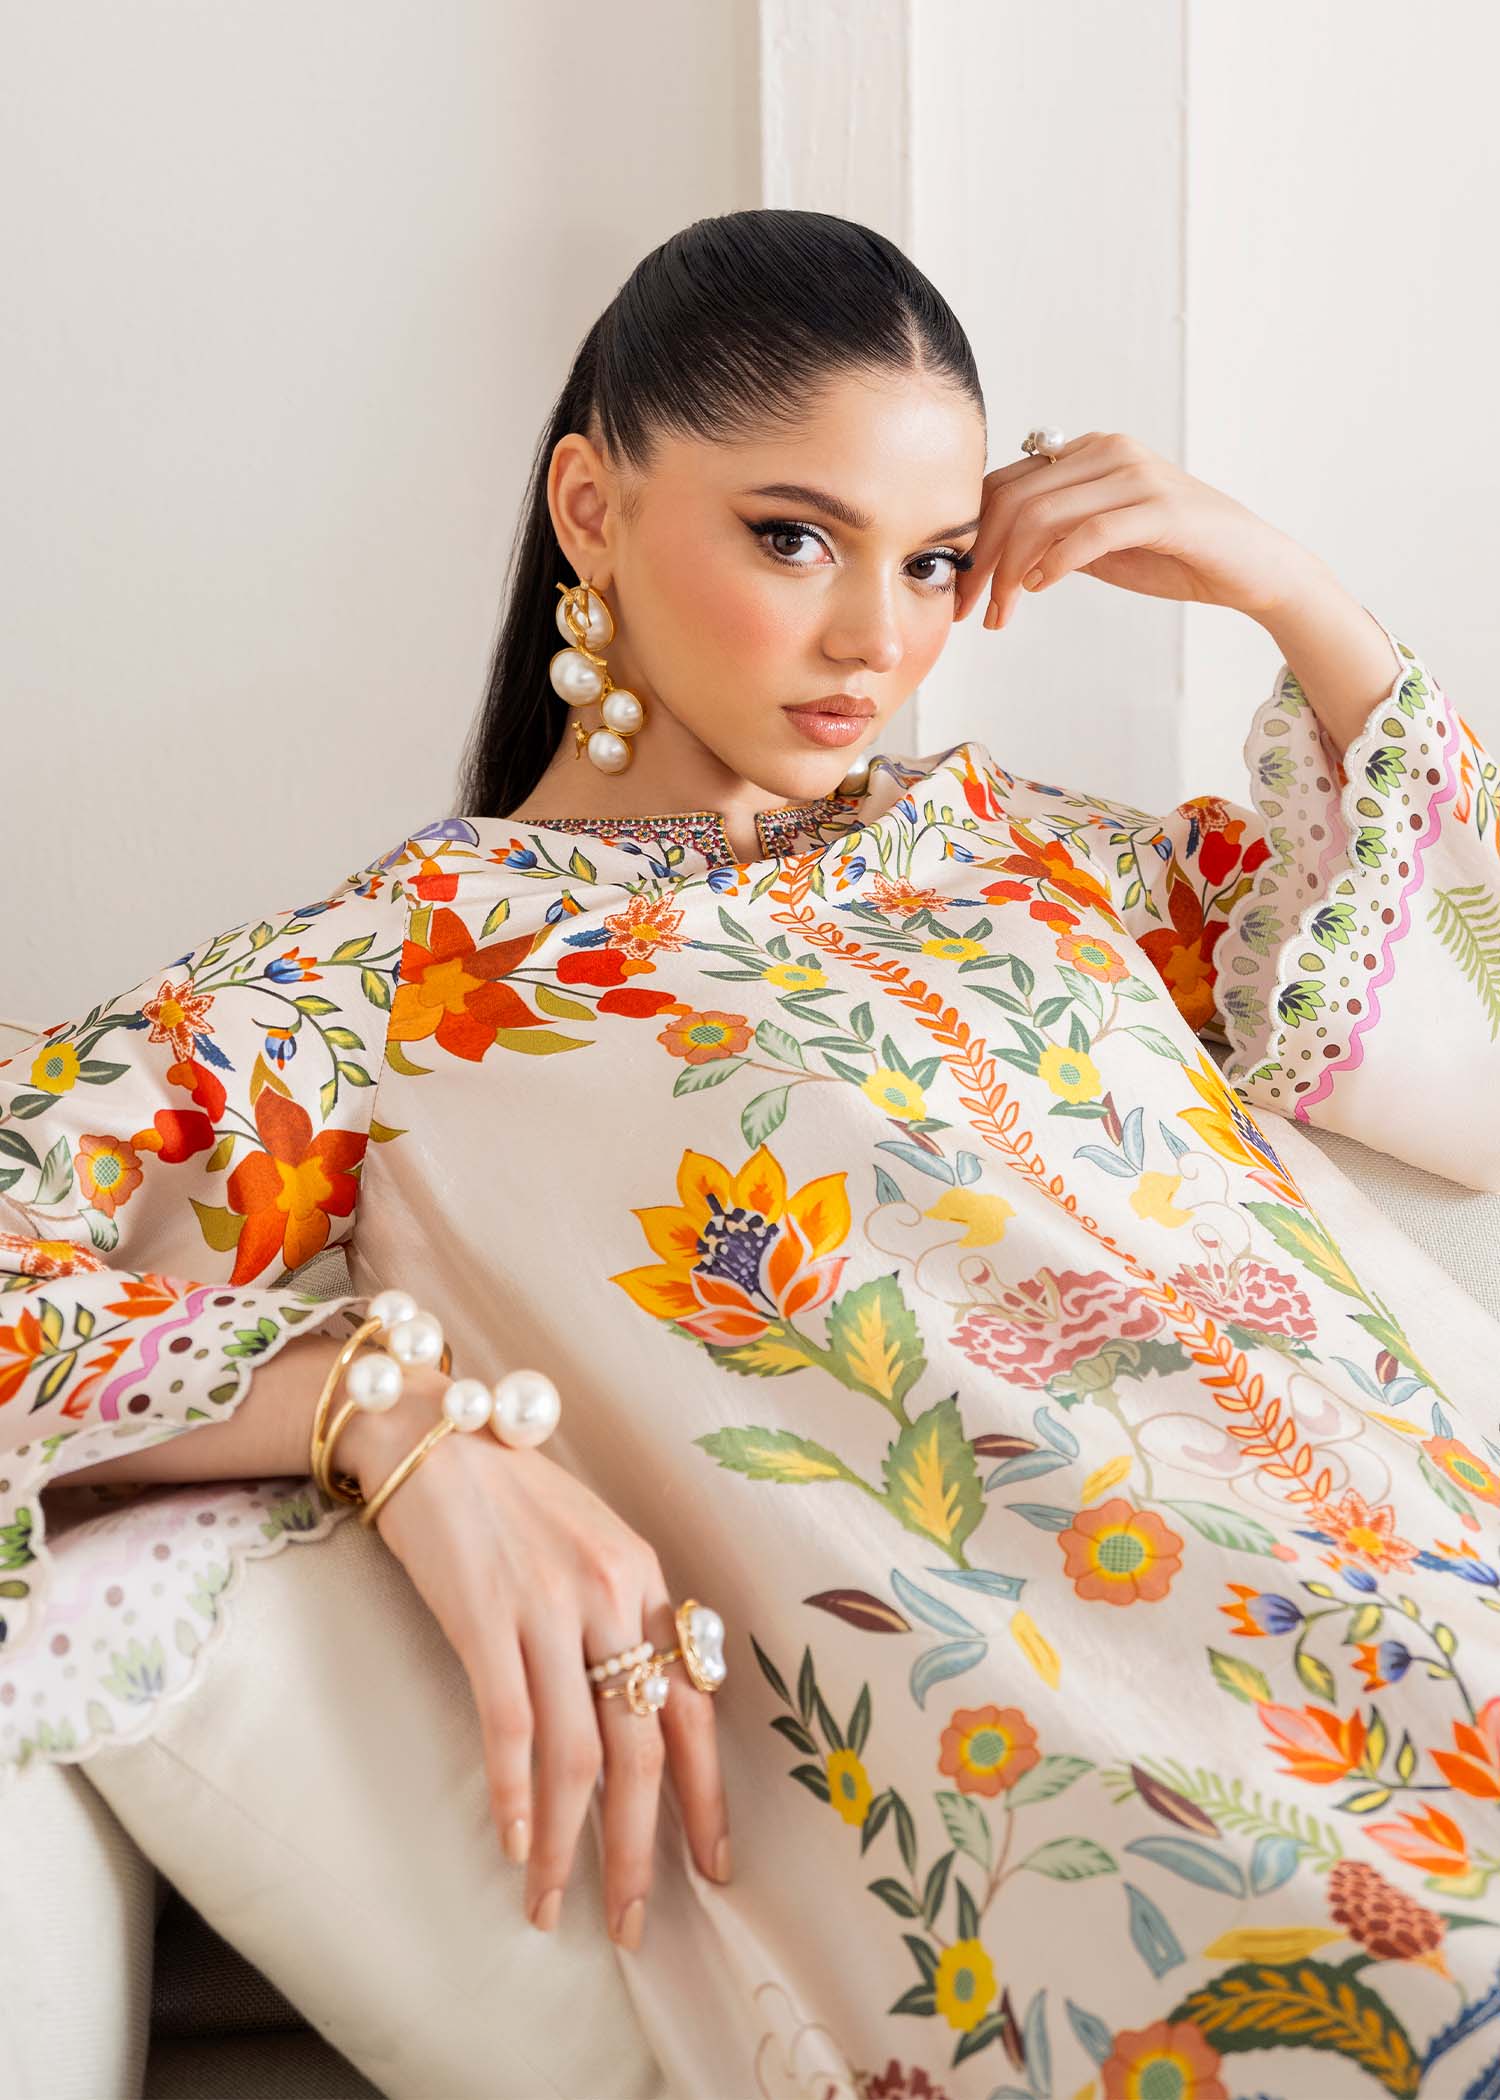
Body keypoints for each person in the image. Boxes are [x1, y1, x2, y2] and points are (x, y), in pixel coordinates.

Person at [3, 207, 1499, 2100]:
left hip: (1426, 1598)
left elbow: (1465, 1040)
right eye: (795, 537)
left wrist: (1292, 593)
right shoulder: (377, 997)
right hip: (1102, 1806)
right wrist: (389, 1417)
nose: (879, 640)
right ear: (594, 507)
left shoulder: (1042, 858)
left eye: (935, 560)